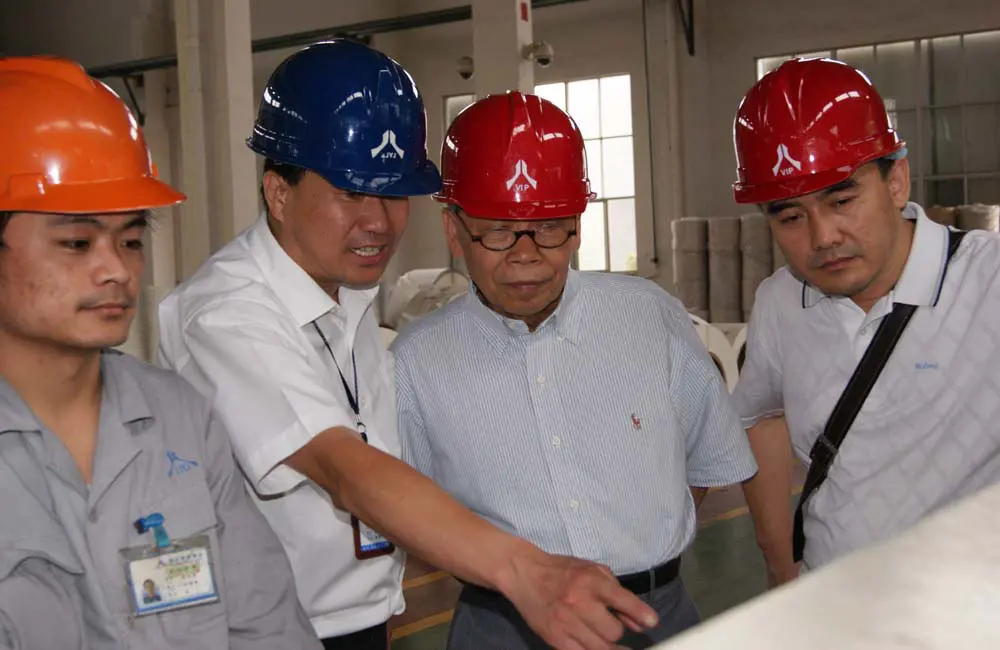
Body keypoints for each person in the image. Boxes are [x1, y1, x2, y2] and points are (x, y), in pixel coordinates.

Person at [156, 39, 657, 650]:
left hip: (357, 627)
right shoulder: (226, 315)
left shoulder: (347, 296)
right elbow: (344, 468)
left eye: (394, 193)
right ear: (278, 192)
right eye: (351, 192)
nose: (379, 222)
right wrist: (527, 572)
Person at [390, 91, 759, 650]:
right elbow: (410, 515)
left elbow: (705, 460)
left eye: (550, 227)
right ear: (453, 230)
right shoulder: (415, 364)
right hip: (500, 628)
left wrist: (641, 550)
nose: (525, 255)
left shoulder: (648, 317)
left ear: (578, 225)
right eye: (497, 231)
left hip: (653, 615)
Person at [0, 56, 320, 650]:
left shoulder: (179, 418)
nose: (117, 270)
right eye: (77, 242)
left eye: (130, 239)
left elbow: (268, 627)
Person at [730, 57, 1000, 585]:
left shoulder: (987, 283)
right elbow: (761, 414)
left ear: (896, 181)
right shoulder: (781, 303)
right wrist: (779, 558)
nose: (823, 237)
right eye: (791, 216)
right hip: (832, 600)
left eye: (842, 200)